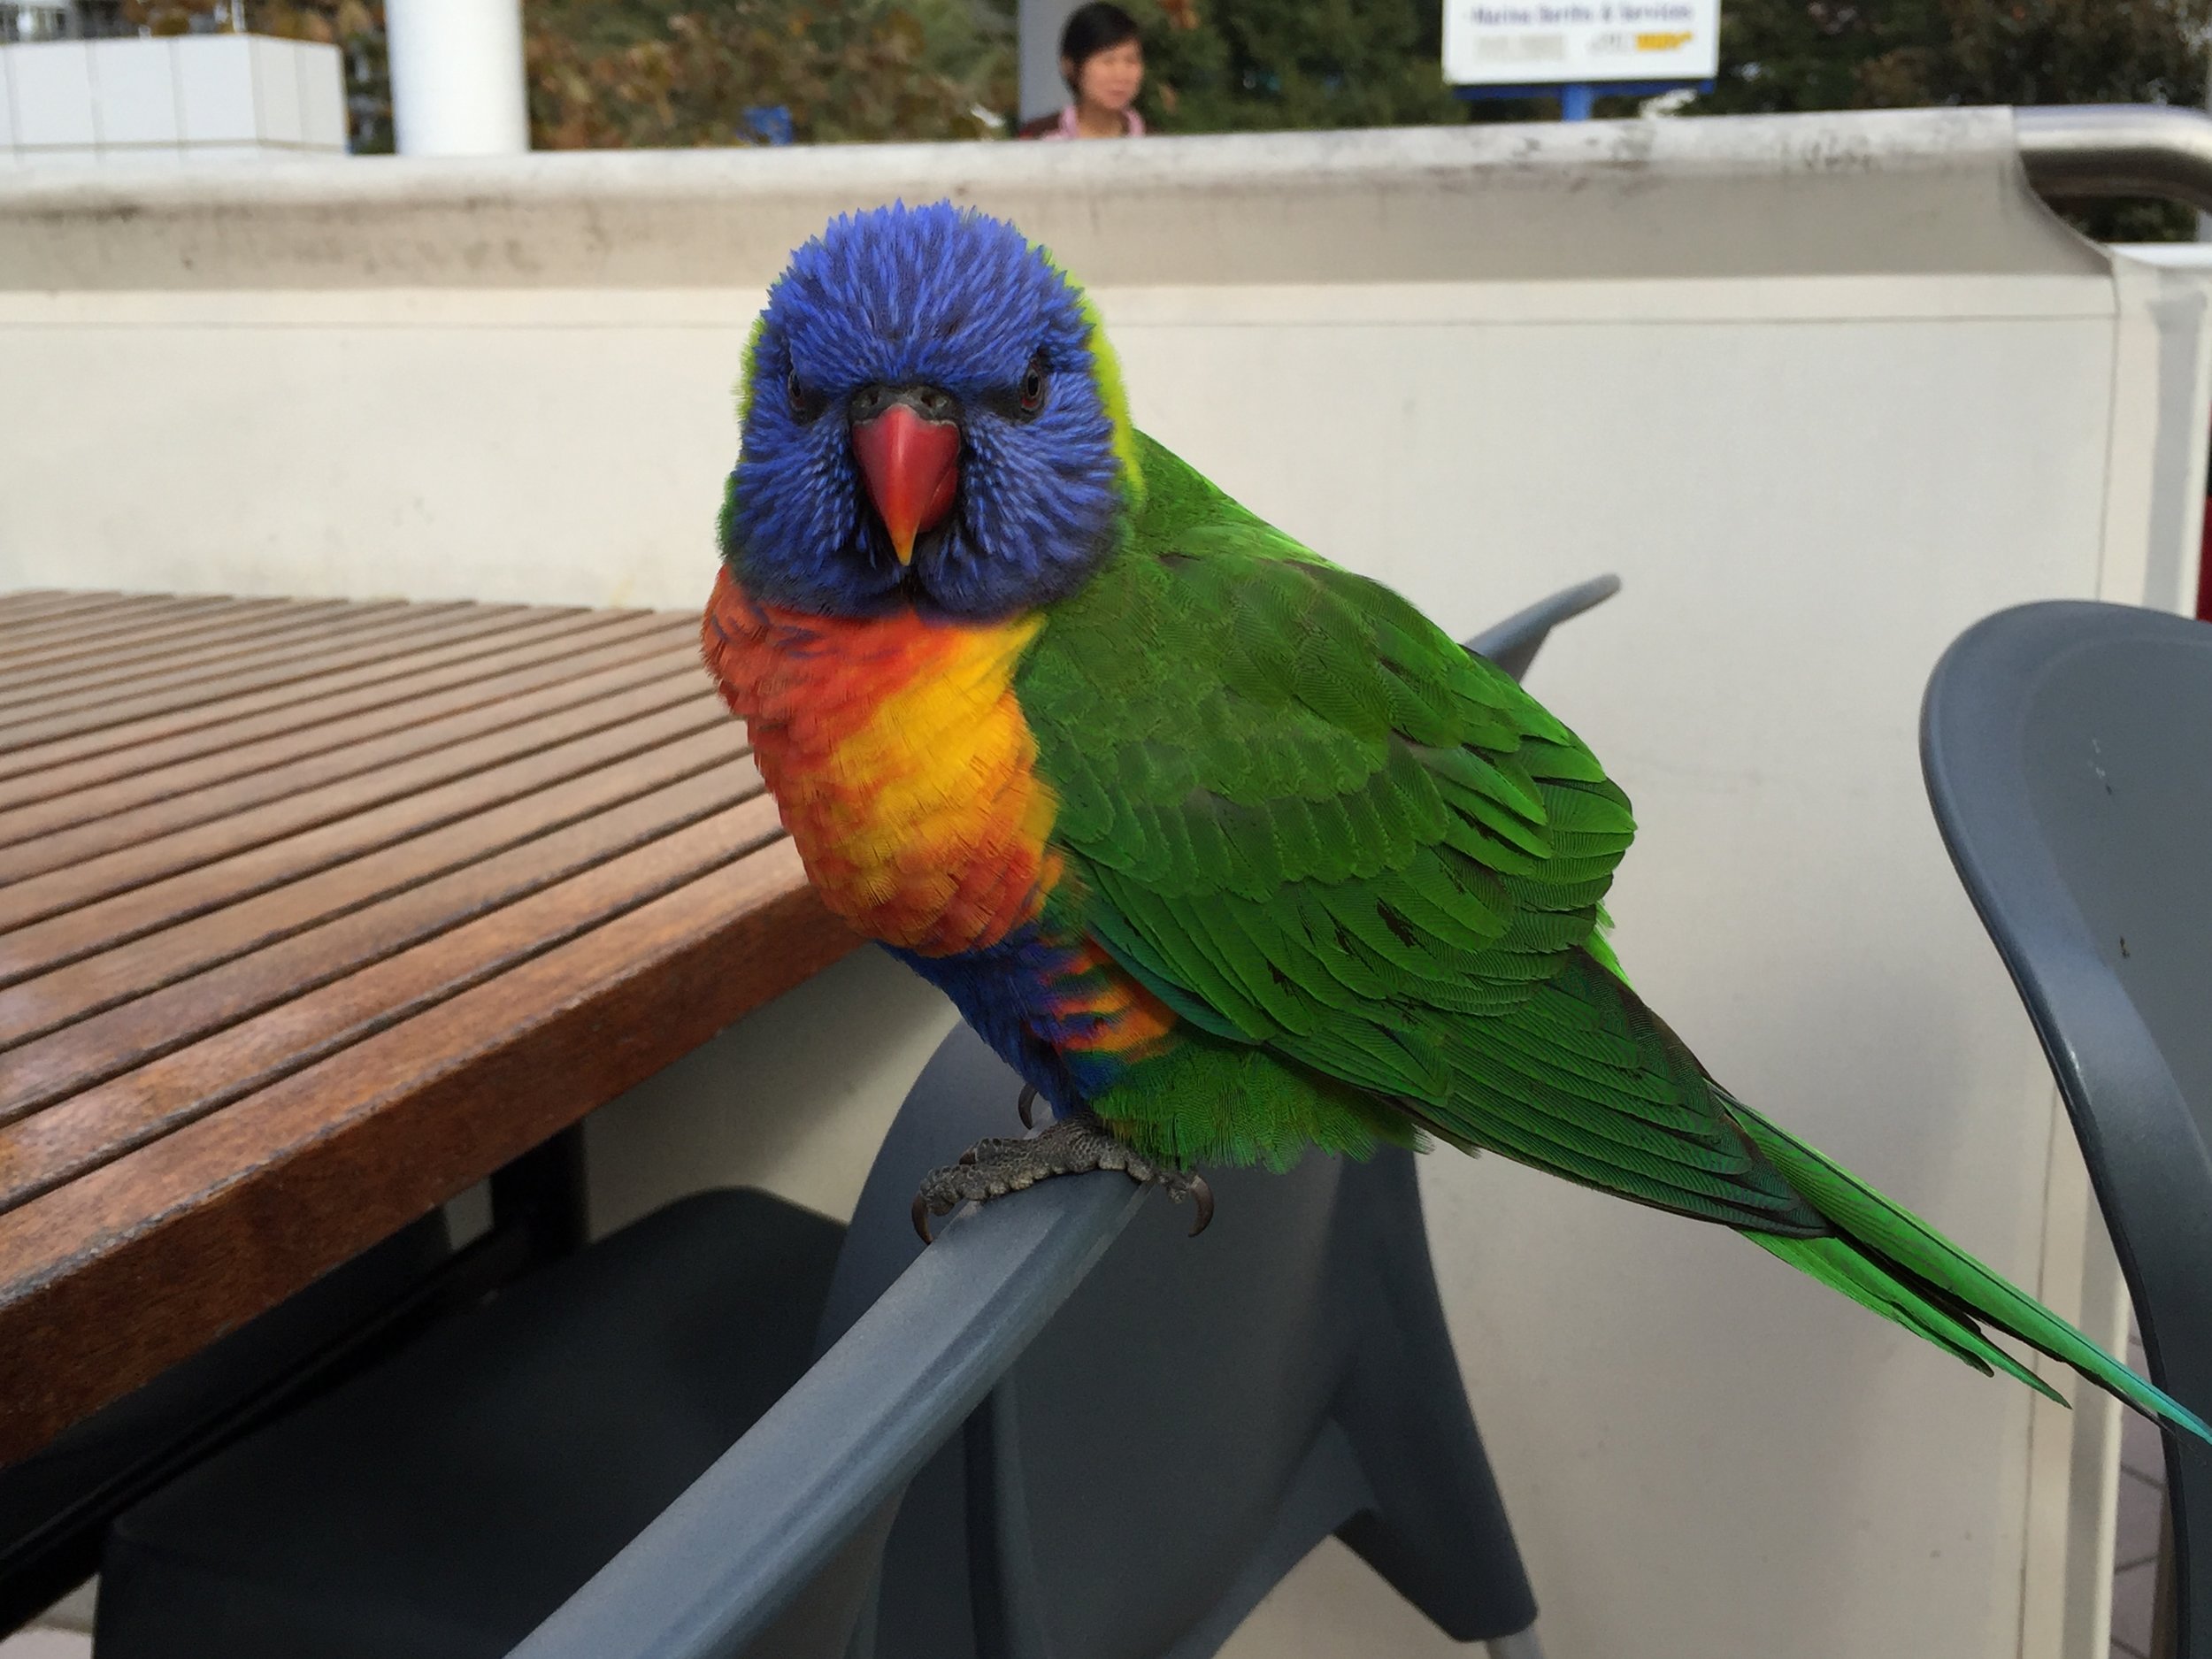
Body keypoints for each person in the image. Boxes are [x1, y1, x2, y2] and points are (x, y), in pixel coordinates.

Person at [1019, 3, 1145, 140]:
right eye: (1108, 61)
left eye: (1131, 61)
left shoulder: (1154, 142)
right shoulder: (1037, 138)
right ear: (1071, 66)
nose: (1121, 74)